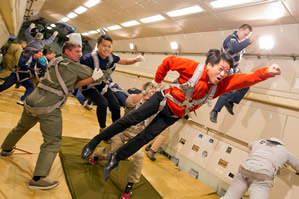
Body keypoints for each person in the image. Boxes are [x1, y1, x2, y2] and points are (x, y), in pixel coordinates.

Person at [81, 49, 281, 181]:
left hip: (176, 112)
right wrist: (158, 81)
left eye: (226, 71)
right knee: (130, 119)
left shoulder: (221, 85)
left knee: (147, 136)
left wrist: (267, 73)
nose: (223, 74)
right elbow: (168, 61)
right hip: (163, 99)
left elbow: (246, 79)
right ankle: (95, 141)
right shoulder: (193, 67)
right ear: (209, 65)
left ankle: (117, 157)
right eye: (220, 69)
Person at [0, 41, 104, 190]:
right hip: (48, 106)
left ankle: (6, 149)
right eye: (76, 51)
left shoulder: (55, 61)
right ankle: (38, 178)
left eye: (80, 51)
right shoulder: (73, 66)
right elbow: (92, 74)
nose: (80, 54)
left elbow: (72, 82)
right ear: (67, 52)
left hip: (32, 100)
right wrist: (104, 73)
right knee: (53, 141)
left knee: (21, 127)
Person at [89, 82, 155, 199]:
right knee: (109, 153)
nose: (151, 94)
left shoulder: (153, 105)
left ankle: (130, 185)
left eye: (154, 92)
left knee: (138, 156)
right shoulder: (134, 98)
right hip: (122, 130)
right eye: (150, 91)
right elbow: (130, 102)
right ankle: (97, 155)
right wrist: (143, 94)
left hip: (136, 134)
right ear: (143, 90)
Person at [80, 34, 144, 133]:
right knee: (103, 103)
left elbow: (125, 61)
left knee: (115, 106)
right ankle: (102, 129)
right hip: (88, 87)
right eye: (104, 46)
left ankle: (115, 129)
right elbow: (78, 81)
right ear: (98, 46)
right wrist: (92, 78)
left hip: (102, 85)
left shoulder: (111, 57)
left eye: (109, 46)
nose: (107, 49)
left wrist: (136, 60)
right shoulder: (87, 59)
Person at [221, 137, 299, 199]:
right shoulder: (285, 152)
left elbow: (249, 144)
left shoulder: (260, 142)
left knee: (229, 197)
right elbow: (297, 165)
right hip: (262, 175)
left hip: (245, 168)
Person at [210, 24, 258, 123]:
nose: (245, 37)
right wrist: (250, 40)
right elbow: (234, 48)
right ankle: (215, 111)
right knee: (230, 89)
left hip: (235, 68)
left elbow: (238, 52)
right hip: (226, 67)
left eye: (247, 36)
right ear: (240, 30)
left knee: (246, 84)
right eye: (245, 34)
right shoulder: (231, 38)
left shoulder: (240, 42)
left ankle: (230, 102)